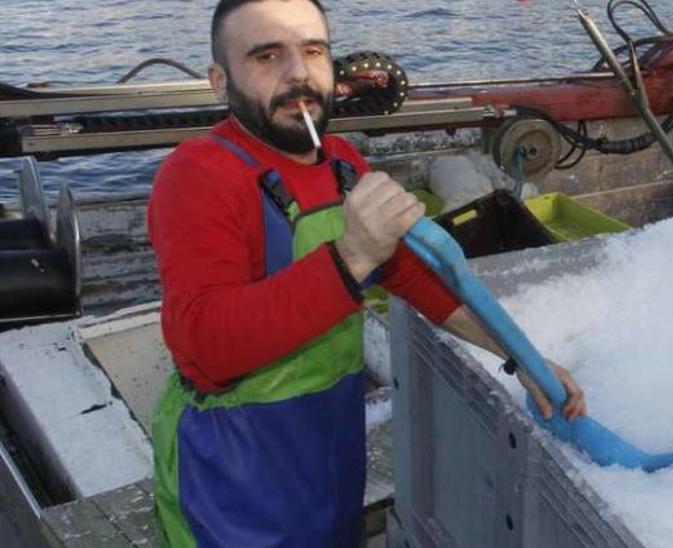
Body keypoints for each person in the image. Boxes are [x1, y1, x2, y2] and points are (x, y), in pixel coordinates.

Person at [146, 1, 586, 545]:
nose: (298, 75)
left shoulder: (341, 162)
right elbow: (205, 347)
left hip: (330, 440)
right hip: (239, 465)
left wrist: (517, 355)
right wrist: (352, 256)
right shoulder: (198, 175)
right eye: (266, 56)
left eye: (313, 51)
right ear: (220, 81)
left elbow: (409, 272)